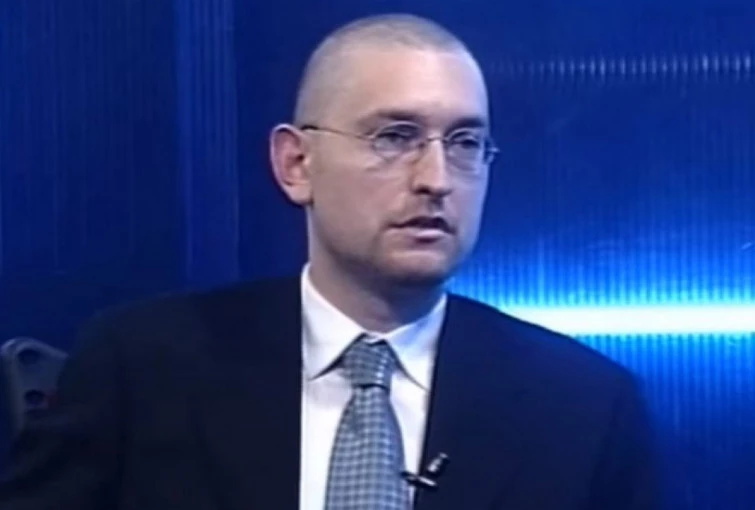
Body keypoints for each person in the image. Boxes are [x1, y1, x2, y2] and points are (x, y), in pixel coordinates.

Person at [0, 12, 662, 510]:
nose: (436, 178)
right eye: (394, 136)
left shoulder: (584, 408)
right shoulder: (140, 367)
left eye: (465, 142)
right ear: (296, 164)